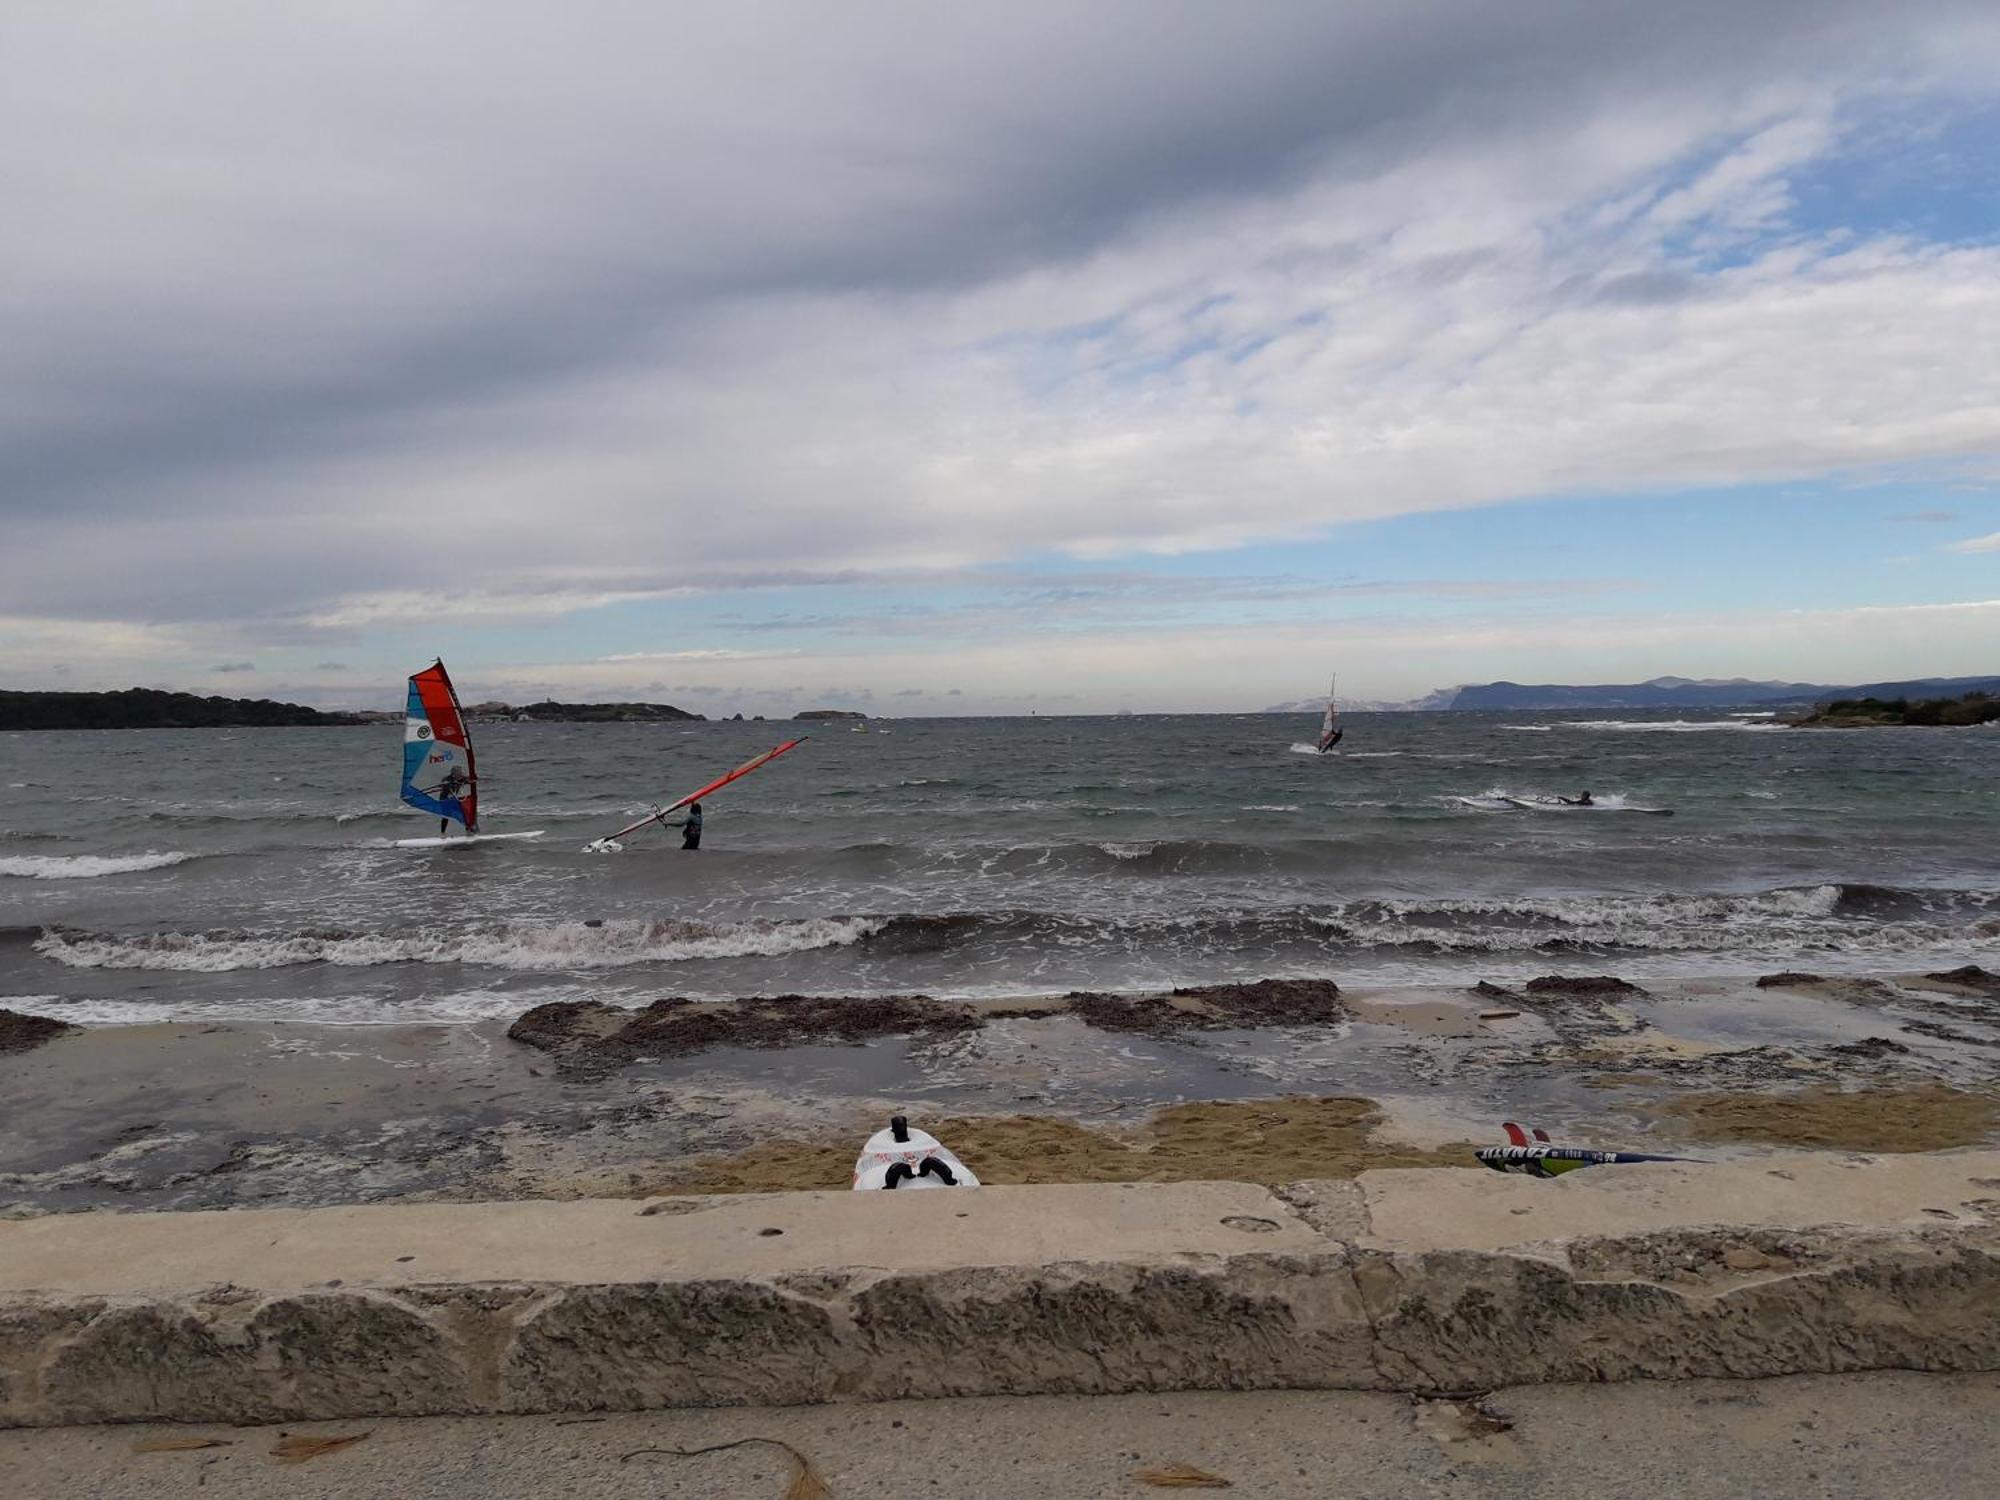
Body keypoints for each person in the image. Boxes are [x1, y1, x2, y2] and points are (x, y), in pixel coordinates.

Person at [436, 764, 472, 836]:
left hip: (454, 799)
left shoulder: (461, 778)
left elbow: (469, 780)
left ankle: (468, 831)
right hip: (444, 799)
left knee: (465, 813)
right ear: (454, 773)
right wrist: (447, 783)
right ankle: (442, 833)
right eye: (459, 772)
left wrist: (473, 779)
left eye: (461, 772)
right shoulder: (447, 779)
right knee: (446, 816)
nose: (461, 773)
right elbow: (443, 781)